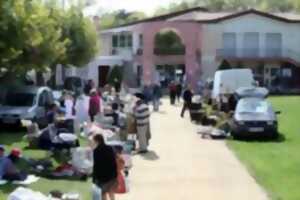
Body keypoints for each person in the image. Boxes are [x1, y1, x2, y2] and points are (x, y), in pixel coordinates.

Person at [92, 134, 118, 200]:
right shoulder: (110, 148)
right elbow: (113, 161)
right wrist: (115, 173)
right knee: (111, 191)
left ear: (97, 141)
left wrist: (94, 177)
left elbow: (96, 165)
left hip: (101, 175)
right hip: (111, 173)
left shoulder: (96, 151)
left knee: (103, 193)